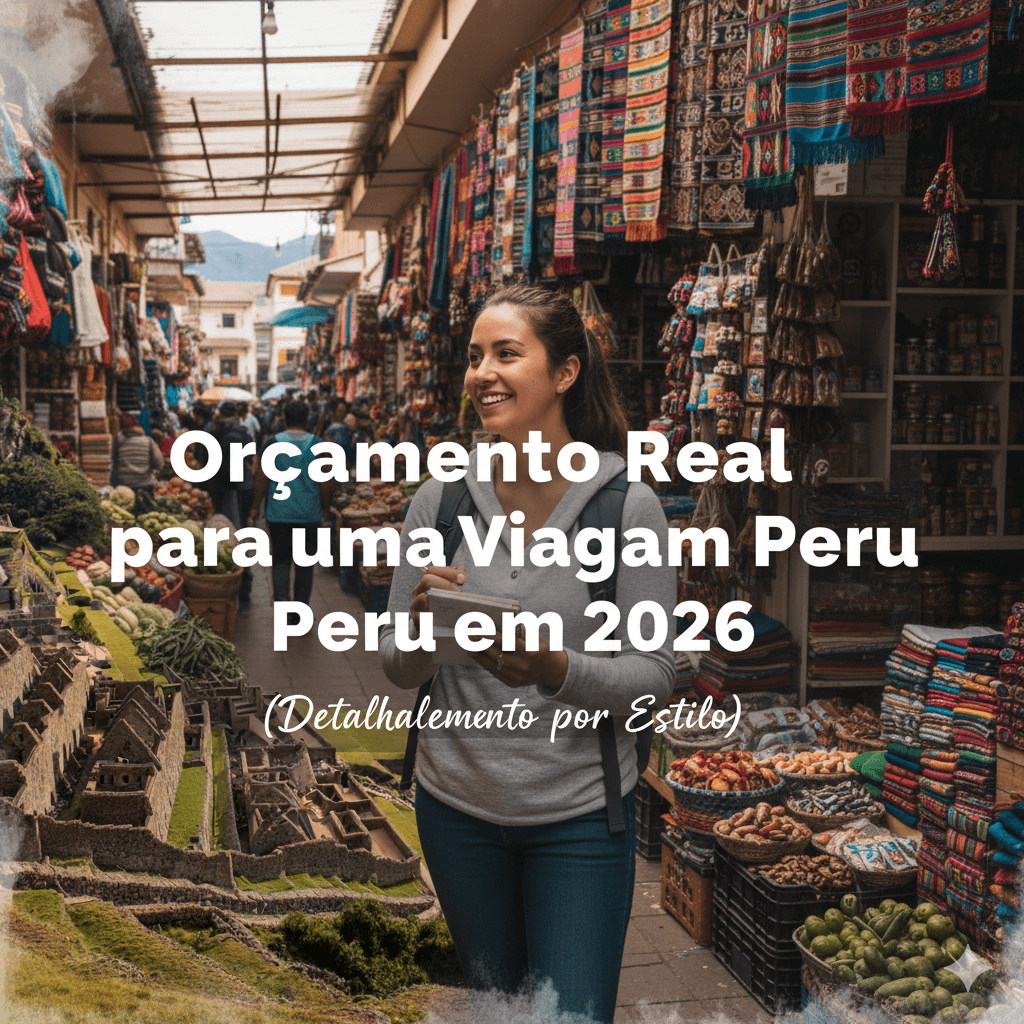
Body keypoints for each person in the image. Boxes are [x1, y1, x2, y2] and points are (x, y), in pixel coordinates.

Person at [378, 284, 675, 1024]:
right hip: (455, 811)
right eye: (475, 356)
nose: (483, 373)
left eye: (507, 354)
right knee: (496, 1011)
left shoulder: (625, 507)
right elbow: (397, 666)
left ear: (566, 372)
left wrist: (556, 670)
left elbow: (653, 678)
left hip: (581, 819)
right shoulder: (440, 501)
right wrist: (419, 626)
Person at [248, 399, 332, 604]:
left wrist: (255, 507)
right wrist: (326, 509)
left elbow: (262, 478)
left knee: (281, 562)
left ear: (284, 419)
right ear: (307, 420)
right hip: (309, 515)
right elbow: (325, 482)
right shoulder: (318, 445)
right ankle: (300, 609)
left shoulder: (272, 443)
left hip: (279, 515)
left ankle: (282, 603)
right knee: (305, 566)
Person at [111, 414, 164, 496]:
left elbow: (114, 462)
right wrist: (152, 472)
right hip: (145, 484)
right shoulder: (148, 441)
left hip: (125, 486)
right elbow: (159, 463)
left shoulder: (118, 440)